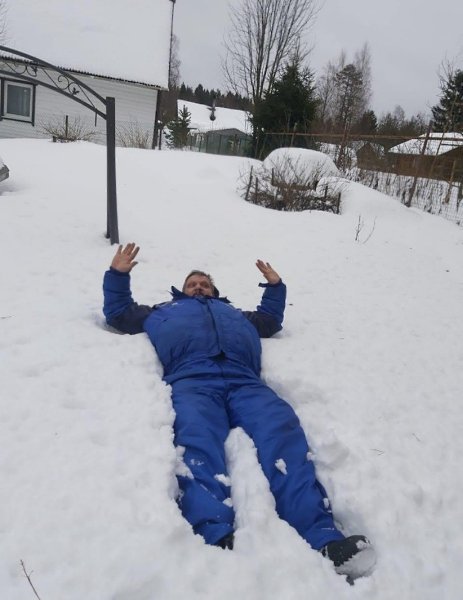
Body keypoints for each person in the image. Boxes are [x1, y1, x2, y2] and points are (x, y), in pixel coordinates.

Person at [103, 243, 375, 580]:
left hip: (246, 383)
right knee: (196, 440)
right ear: (182, 290)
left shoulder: (235, 315)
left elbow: (269, 321)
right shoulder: (162, 311)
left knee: (283, 435)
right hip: (192, 381)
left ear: (214, 291)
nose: (198, 287)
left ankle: (323, 539)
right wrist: (117, 276)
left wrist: (275, 288)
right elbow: (119, 313)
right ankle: (212, 534)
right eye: (192, 284)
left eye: (204, 284)